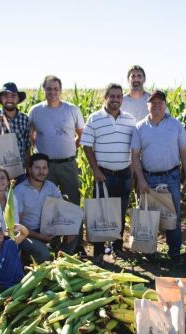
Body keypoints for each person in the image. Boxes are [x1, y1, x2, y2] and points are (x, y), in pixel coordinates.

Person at [131, 90, 186, 263]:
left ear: (165, 105)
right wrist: (140, 180)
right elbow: (135, 156)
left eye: (160, 103)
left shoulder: (175, 125)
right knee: (149, 215)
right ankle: (149, 251)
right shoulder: (140, 127)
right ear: (147, 105)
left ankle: (174, 253)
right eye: (153, 103)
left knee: (174, 216)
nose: (157, 106)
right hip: (148, 178)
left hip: (171, 176)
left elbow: (184, 152)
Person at [81, 83, 137, 262]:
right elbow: (87, 145)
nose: (115, 100)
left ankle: (116, 247)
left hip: (124, 173)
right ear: (105, 98)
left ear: (122, 98)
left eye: (119, 96)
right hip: (103, 174)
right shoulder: (94, 118)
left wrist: (133, 172)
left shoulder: (130, 119)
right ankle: (98, 250)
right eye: (111, 96)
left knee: (119, 212)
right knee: (100, 212)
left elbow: (135, 148)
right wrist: (95, 170)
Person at [28, 75, 85, 206]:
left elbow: (81, 134)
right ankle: (48, 228)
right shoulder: (35, 111)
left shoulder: (72, 109)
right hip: (45, 167)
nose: (52, 92)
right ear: (44, 90)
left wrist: (72, 147)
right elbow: (31, 137)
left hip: (68, 164)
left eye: (56, 88)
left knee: (72, 202)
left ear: (60, 90)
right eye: (49, 89)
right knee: (47, 203)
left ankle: (75, 228)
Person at [15, 153, 78, 263]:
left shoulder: (51, 186)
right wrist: (40, 237)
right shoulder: (20, 191)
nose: (41, 172)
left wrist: (70, 229)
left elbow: (62, 209)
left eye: (44, 168)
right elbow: (18, 226)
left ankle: (63, 254)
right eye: (37, 168)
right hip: (28, 233)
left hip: (48, 229)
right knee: (44, 255)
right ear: (29, 169)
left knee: (76, 222)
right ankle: (26, 257)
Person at [0, 82, 30, 184]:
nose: (9, 99)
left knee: (19, 200)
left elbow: (27, 148)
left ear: (18, 99)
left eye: (13, 96)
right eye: (6, 96)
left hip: (19, 170)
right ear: (1, 99)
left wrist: (28, 171)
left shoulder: (25, 119)